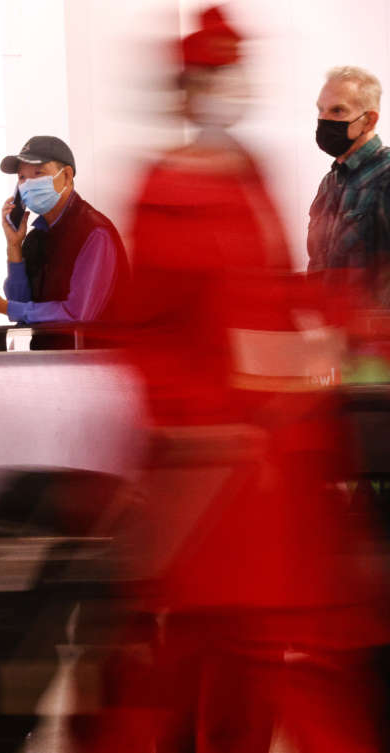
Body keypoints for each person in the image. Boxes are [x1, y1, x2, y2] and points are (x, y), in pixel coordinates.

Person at [83, 8, 389, 752]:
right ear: (184, 91)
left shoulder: (249, 176)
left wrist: (352, 321)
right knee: (211, 656)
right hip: (209, 468)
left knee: (266, 654)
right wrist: (191, 417)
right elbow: (138, 331)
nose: (220, 91)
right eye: (206, 78)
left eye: (229, 75)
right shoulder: (163, 188)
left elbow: (276, 295)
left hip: (267, 462)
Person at [0, 136, 127, 348]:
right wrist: (14, 246)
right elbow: (21, 307)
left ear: (67, 176)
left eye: (38, 173)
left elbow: (78, 314)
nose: (27, 184)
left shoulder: (94, 232)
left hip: (94, 366)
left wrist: (5, 307)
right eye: (22, 177)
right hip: (49, 363)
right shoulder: (36, 236)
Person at [308, 65, 390, 307]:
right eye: (321, 110)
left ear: (369, 120)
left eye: (338, 111)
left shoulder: (386, 176)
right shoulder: (329, 182)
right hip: (332, 334)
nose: (324, 119)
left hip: (375, 338)